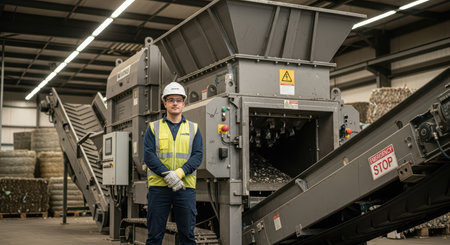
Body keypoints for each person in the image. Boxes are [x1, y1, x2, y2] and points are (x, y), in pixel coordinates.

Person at [144, 82, 203, 245]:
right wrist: (166, 173)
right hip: (159, 187)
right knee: (155, 235)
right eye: (171, 100)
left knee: (187, 236)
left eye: (178, 100)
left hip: (185, 188)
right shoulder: (153, 128)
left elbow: (197, 156)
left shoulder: (194, 129)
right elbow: (149, 155)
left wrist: (178, 173)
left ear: (184, 103)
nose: (175, 103)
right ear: (165, 103)